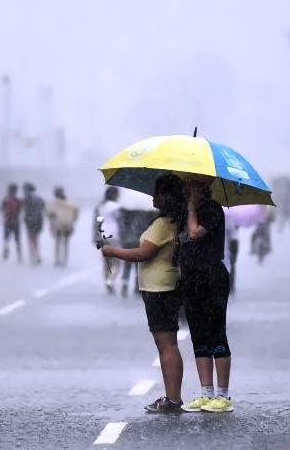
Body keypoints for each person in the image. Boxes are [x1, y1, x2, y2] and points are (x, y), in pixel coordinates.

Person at [100, 175, 185, 413]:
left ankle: (173, 398)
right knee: (166, 343)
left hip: (159, 288)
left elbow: (142, 253)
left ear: (166, 197)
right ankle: (172, 396)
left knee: (166, 344)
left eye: (158, 192)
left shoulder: (163, 224)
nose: (153, 197)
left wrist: (113, 251)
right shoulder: (174, 221)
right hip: (164, 285)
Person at [179, 177, 234, 413]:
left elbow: (194, 233)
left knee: (216, 334)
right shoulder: (185, 211)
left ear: (203, 187)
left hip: (212, 277)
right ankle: (206, 393)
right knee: (199, 335)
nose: (187, 189)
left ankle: (223, 395)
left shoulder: (212, 209)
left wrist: (191, 208)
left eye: (192, 185)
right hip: (191, 278)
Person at [94, 187, 122, 292]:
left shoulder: (101, 207)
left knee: (106, 262)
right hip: (115, 236)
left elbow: (98, 222)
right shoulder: (117, 207)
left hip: (103, 235)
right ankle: (110, 280)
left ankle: (106, 281)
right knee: (117, 263)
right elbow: (120, 221)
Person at [48, 186, 79, 267]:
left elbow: (51, 215)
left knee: (58, 242)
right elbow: (75, 213)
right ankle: (63, 259)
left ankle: (58, 259)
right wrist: (72, 220)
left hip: (58, 225)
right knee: (65, 243)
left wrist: (53, 223)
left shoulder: (55, 203)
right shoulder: (69, 202)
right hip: (67, 225)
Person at [22, 183, 46, 265]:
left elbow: (26, 210)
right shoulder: (39, 198)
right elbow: (43, 207)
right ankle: (37, 255)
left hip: (30, 222)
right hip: (38, 221)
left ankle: (33, 255)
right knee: (35, 239)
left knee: (31, 238)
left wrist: (27, 219)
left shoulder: (27, 199)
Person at [1, 183, 23, 262]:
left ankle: (6, 250)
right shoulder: (17, 200)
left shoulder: (5, 199)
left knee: (7, 238)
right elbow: (20, 210)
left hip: (7, 221)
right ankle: (19, 254)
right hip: (15, 221)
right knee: (17, 239)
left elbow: (2, 209)